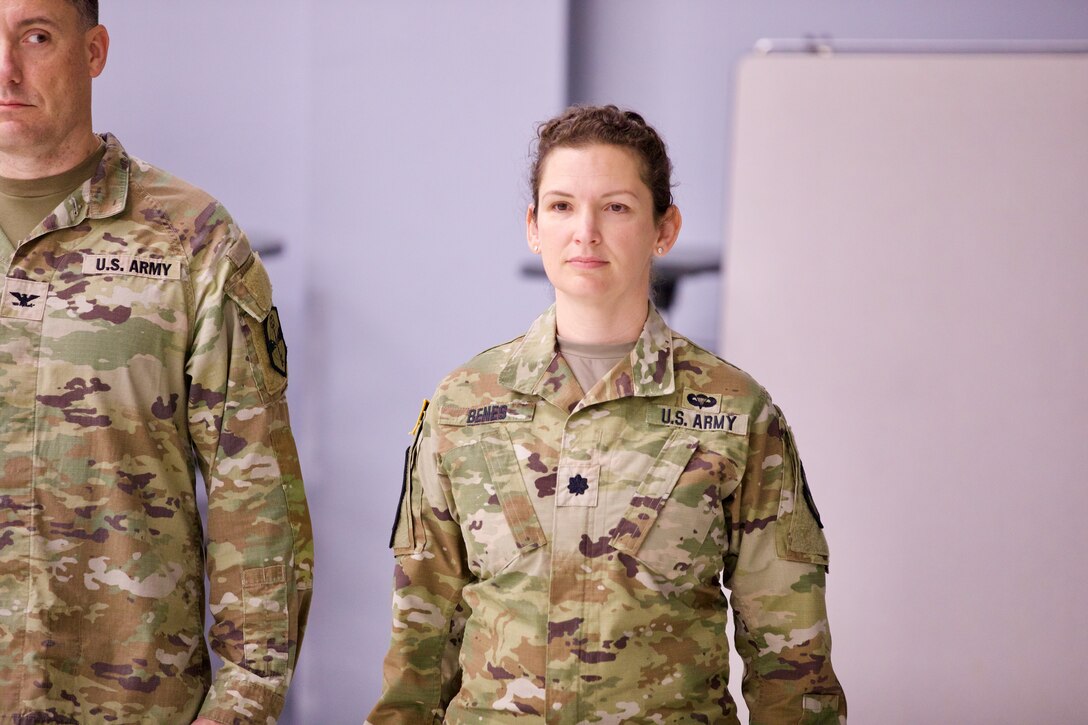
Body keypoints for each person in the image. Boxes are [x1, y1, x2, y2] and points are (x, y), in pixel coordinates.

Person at [367, 105, 845, 724]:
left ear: (663, 229)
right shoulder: (463, 405)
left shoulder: (736, 412)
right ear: (534, 227)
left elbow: (790, 654)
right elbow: (419, 642)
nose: (585, 232)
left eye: (615, 206)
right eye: (562, 206)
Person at [0, 1, 313, 722]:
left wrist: (242, 708)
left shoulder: (192, 239)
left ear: (94, 50)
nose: (7, 68)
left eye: (36, 36)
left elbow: (258, 504)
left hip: (129, 703)